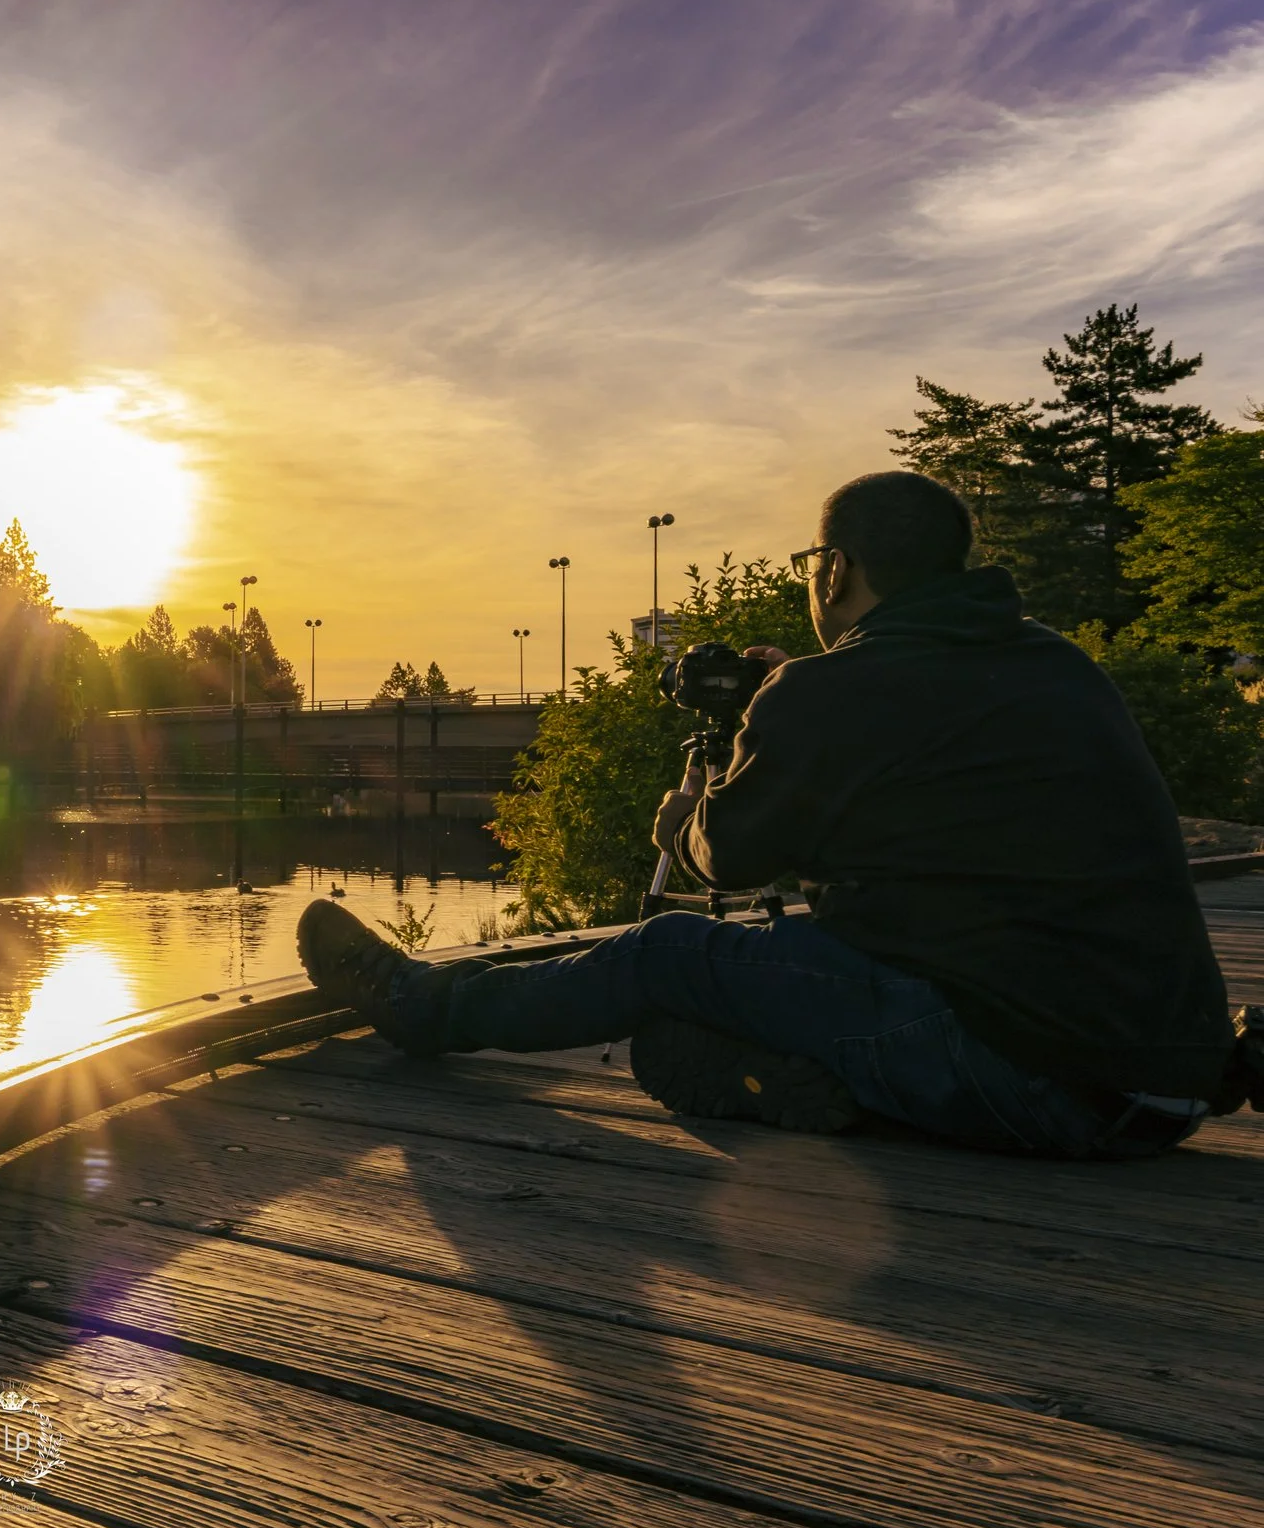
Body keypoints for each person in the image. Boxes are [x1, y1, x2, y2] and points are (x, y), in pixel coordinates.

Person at [299, 470, 1244, 1156]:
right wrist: (796, 698)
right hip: (1162, 1089)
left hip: (1038, 1082)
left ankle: (422, 1006)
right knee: (706, 1016)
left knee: (668, 950)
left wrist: (693, 811)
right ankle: (823, 1086)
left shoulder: (837, 691)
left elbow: (728, 860)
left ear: (833, 570)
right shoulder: (1057, 665)